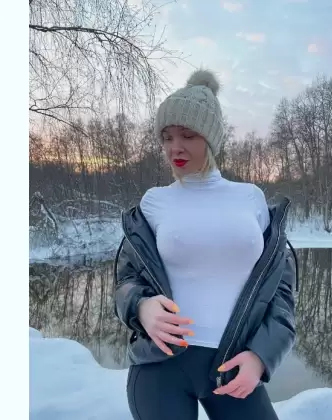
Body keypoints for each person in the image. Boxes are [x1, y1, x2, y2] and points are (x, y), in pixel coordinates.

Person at [114, 69, 298, 420]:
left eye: (188, 135)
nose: (175, 147)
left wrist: (261, 356)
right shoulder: (153, 203)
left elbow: (281, 291)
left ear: (211, 139)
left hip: (235, 365)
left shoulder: (250, 199)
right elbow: (125, 281)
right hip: (160, 368)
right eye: (167, 137)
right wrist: (142, 307)